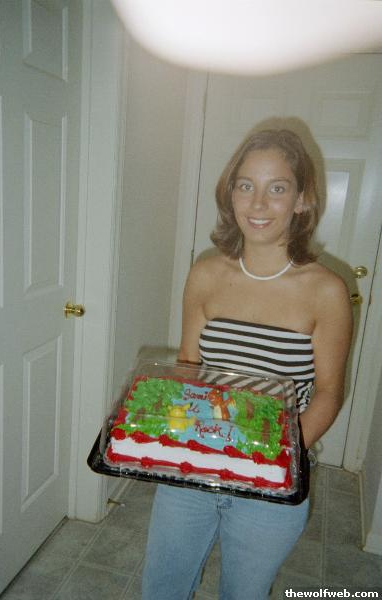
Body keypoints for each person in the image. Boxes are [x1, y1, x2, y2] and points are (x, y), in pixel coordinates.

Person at [141, 128, 353, 600]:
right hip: (193, 467)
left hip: (271, 479)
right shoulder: (206, 273)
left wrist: (267, 456)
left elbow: (328, 393)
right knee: (162, 589)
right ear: (230, 193)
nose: (258, 203)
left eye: (277, 187)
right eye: (245, 185)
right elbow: (190, 367)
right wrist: (153, 425)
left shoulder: (326, 291)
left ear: (302, 198)